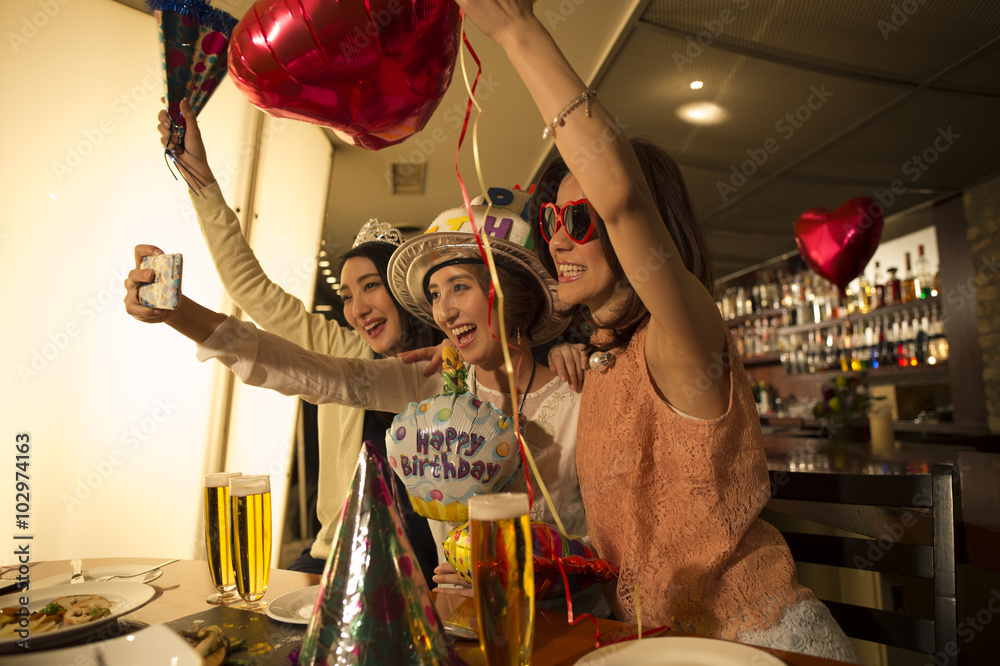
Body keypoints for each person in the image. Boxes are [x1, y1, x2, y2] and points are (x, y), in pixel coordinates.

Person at [454, 0, 860, 661]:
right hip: (659, 648)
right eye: (551, 219)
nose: (558, 236)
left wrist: (516, 29)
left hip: (759, 643)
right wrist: (531, 557)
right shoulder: (603, 360)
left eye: (582, 221)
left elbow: (624, 199)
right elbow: (635, 551)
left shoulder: (685, 336)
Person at [123, 193, 595, 605]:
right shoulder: (428, 382)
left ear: (507, 292)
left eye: (460, 287)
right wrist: (178, 312)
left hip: (559, 631)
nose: (445, 310)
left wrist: (536, 571)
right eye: (434, 293)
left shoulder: (581, 393)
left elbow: (611, 549)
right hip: (452, 623)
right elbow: (307, 372)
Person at [157, 102, 442, 578]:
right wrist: (200, 179)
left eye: (370, 286)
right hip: (336, 554)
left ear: (403, 287)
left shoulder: (448, 365)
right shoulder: (338, 347)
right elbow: (252, 289)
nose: (357, 309)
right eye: (346, 295)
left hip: (423, 565)